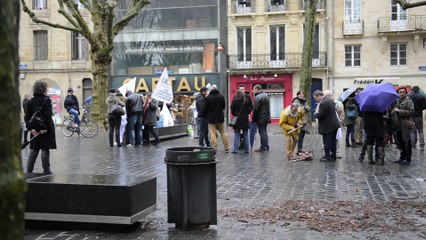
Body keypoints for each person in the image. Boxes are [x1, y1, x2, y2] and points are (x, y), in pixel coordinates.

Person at [24, 81, 56, 174]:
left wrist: (31, 129)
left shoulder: (30, 101)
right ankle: (46, 171)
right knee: (45, 149)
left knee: (34, 150)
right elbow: (48, 117)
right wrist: (47, 129)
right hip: (44, 129)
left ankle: (28, 171)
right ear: (44, 89)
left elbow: (27, 117)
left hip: (34, 129)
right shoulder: (47, 100)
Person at [313, 90, 341, 162]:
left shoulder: (323, 103)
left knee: (327, 141)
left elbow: (321, 114)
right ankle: (333, 155)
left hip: (328, 125)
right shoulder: (330, 100)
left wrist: (315, 114)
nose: (315, 100)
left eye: (315, 98)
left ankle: (327, 156)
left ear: (318, 96)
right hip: (334, 124)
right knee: (333, 141)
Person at [392, 87, 415, 165]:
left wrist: (399, 111)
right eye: (400, 92)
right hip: (398, 124)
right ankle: (402, 157)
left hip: (406, 124)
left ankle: (408, 158)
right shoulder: (397, 101)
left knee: (407, 141)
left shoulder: (409, 101)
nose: (401, 93)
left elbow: (411, 112)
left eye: (403, 92)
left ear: (406, 93)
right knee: (400, 142)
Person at [205, 84, 228, 152]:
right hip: (220, 117)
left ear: (211, 89)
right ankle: (226, 147)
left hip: (211, 118)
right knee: (222, 132)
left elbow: (206, 108)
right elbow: (223, 106)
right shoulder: (221, 96)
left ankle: (214, 147)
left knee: (212, 133)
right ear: (217, 89)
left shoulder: (208, 97)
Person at [252, 84, 271, 152]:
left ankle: (264, 147)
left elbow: (256, 109)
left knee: (262, 132)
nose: (253, 91)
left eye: (254, 89)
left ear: (257, 89)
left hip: (261, 117)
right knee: (264, 131)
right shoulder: (266, 95)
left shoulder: (258, 97)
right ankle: (266, 146)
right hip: (266, 117)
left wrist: (253, 118)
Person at [407, 86, 426, 151]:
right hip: (419, 116)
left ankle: (413, 145)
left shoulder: (409, 96)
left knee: (412, 131)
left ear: (412, 89)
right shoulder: (422, 96)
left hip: (411, 116)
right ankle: (422, 146)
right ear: (418, 89)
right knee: (420, 131)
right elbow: (424, 106)